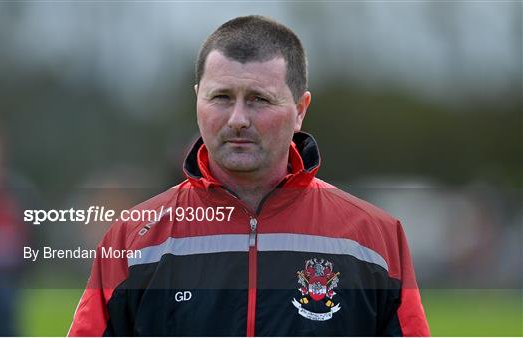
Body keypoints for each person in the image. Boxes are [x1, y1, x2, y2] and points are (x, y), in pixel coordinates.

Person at [68, 15, 430, 336]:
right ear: (198, 100)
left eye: (258, 99)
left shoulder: (376, 240)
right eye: (222, 97)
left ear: (300, 109)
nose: (238, 118)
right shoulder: (134, 239)